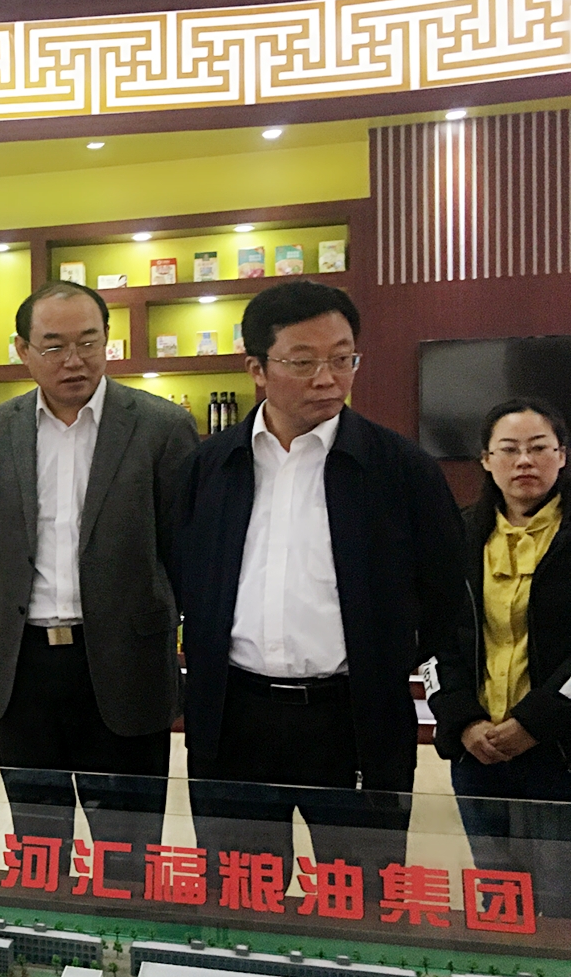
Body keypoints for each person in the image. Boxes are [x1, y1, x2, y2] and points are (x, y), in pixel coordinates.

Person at [175, 280, 466, 885]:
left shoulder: (401, 470)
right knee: (240, 896)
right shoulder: (209, 468)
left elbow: (444, 599)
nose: (328, 379)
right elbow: (181, 577)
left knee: (360, 897)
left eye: (343, 358)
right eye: (303, 362)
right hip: (234, 718)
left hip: (354, 721)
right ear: (257, 369)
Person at [0, 282, 198, 889]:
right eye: (54, 346)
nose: (74, 360)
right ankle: (47, 938)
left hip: (126, 660)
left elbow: (181, 546)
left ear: (107, 342)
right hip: (25, 665)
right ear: (23, 350)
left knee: (129, 851)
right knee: (38, 846)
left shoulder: (161, 426)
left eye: (89, 342)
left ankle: (126, 937)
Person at [429, 399, 571, 902]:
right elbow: (435, 638)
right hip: (479, 753)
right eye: (508, 450)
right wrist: (464, 721)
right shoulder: (458, 535)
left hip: (560, 752)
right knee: (499, 901)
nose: (524, 461)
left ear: (562, 455)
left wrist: (535, 722)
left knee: (561, 903)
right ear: (487, 461)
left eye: (538, 448)